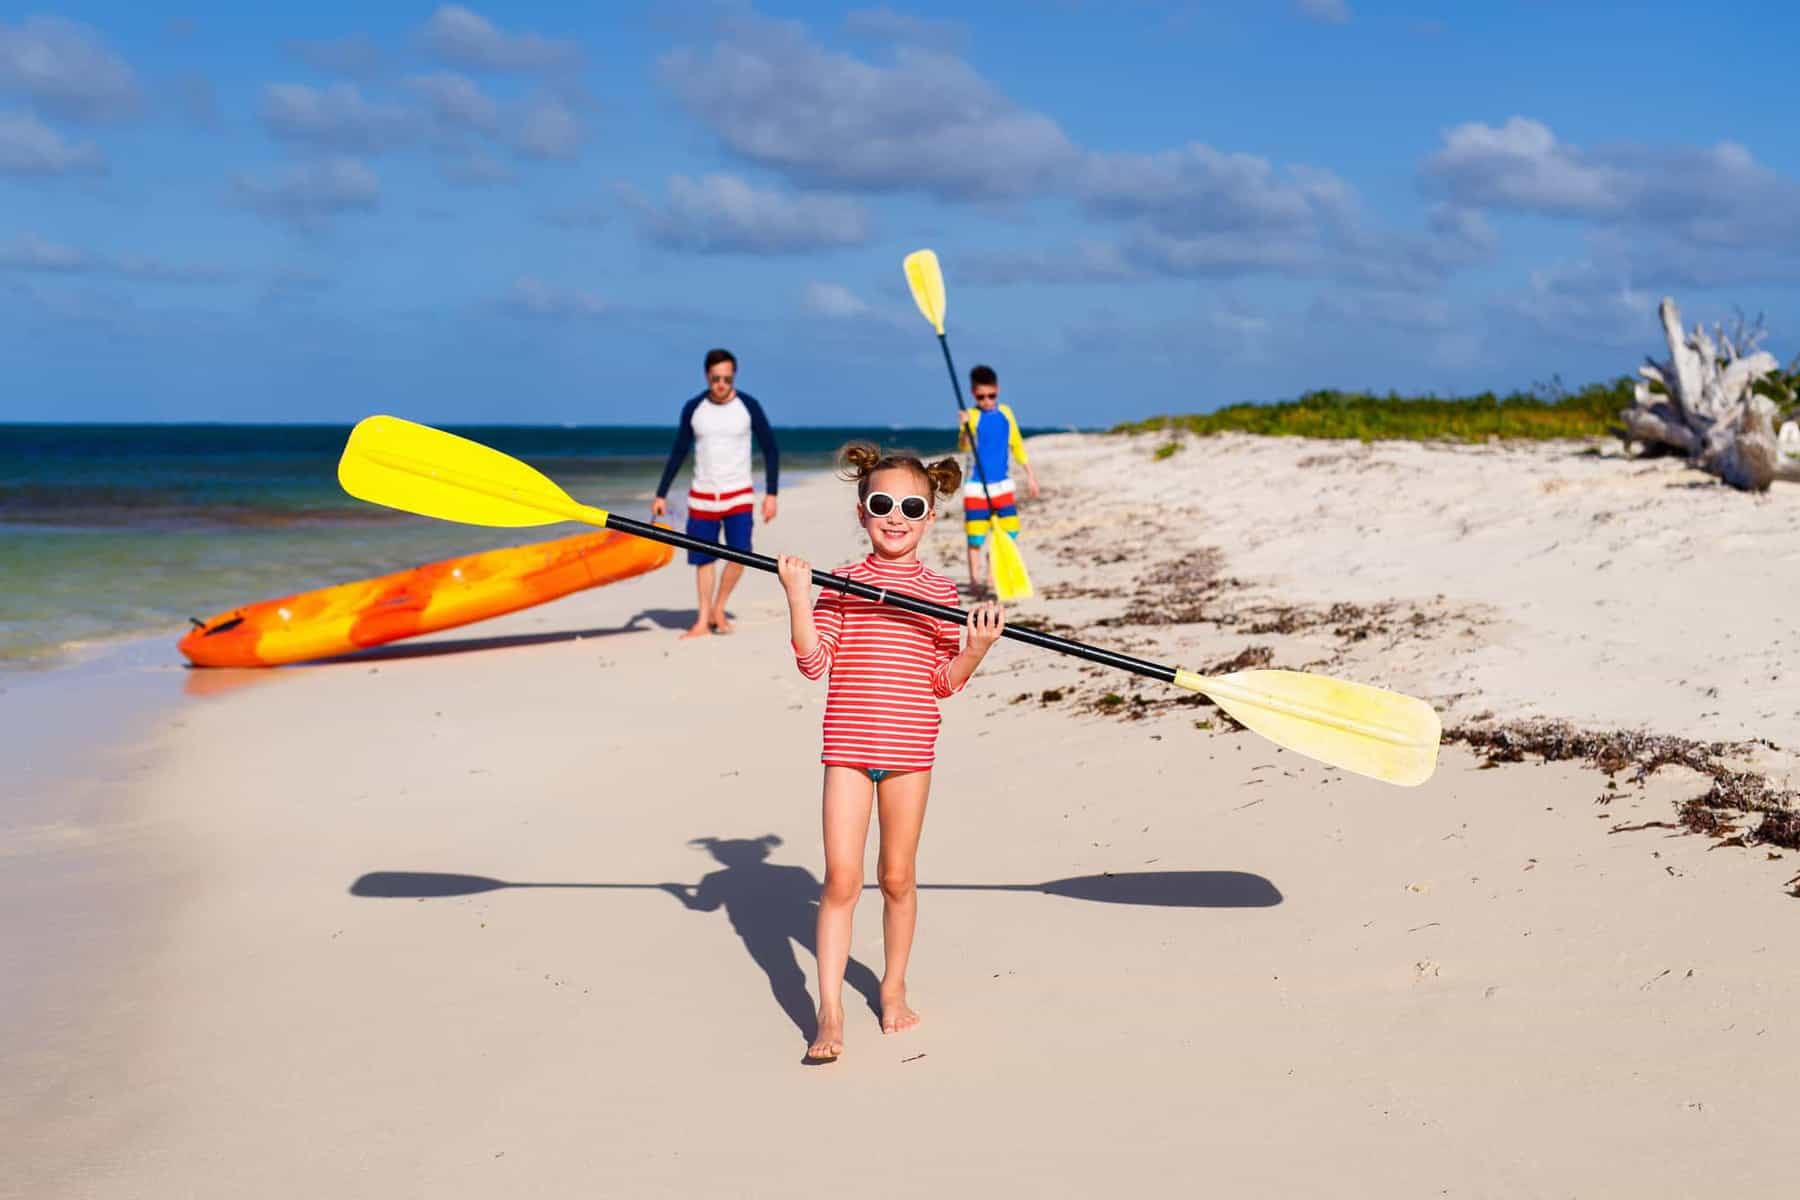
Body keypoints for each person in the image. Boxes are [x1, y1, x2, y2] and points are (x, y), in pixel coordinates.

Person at [776, 444, 1005, 1062]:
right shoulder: (842, 584)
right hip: (847, 749)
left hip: (909, 751)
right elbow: (813, 662)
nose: (895, 516)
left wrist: (976, 649)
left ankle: (893, 987)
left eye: (910, 506)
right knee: (842, 879)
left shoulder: (938, 592)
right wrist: (799, 597)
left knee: (897, 877)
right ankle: (830, 1011)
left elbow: (942, 682)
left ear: (929, 516)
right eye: (882, 504)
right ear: (862, 511)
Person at [652, 349, 781, 638]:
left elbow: (770, 449)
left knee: (741, 555)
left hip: (738, 496)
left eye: (726, 378)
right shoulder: (694, 408)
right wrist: (661, 493)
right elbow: (679, 451)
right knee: (703, 560)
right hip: (702, 496)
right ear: (707, 376)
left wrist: (771, 494)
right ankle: (701, 620)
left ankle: (719, 608)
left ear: (733, 376)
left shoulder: (749, 406)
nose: (721, 384)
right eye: (715, 379)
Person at [958, 364, 1039, 596]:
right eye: (981, 396)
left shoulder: (1006, 413)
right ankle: (974, 582)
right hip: (976, 487)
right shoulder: (971, 416)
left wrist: (1030, 476)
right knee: (975, 537)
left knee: (1010, 531)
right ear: (973, 393)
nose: (986, 401)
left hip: (1002, 485)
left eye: (991, 395)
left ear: (998, 390)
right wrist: (964, 428)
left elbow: (1017, 444)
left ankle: (992, 575)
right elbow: (963, 446)